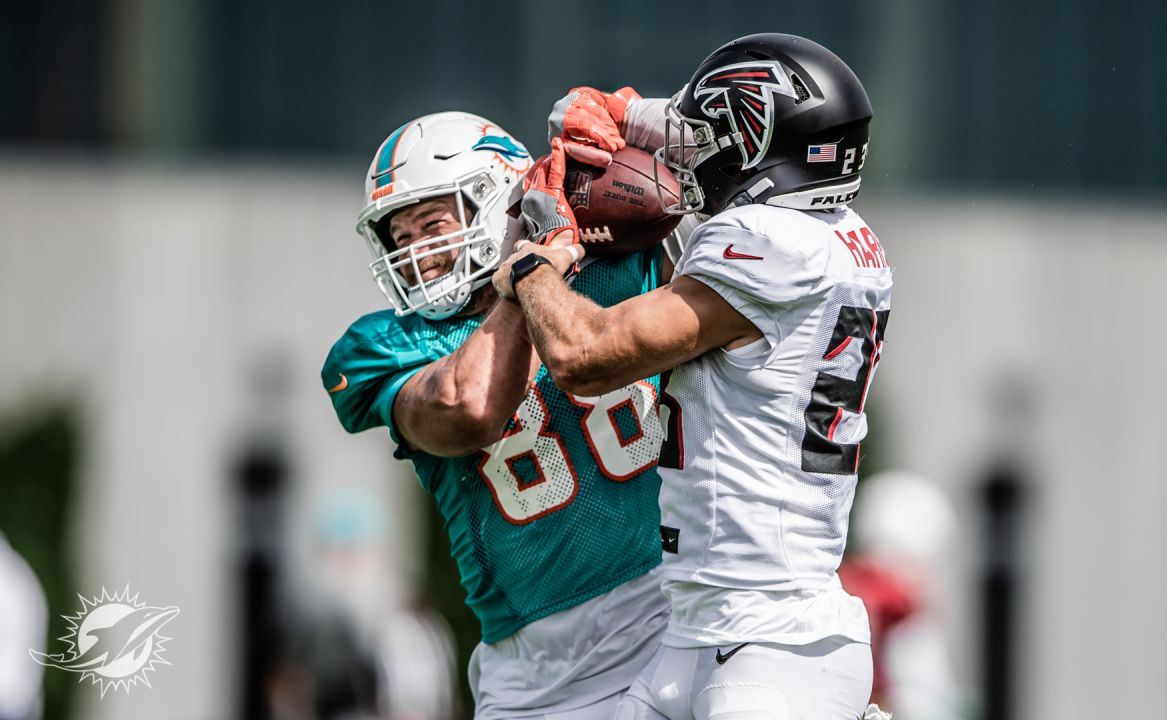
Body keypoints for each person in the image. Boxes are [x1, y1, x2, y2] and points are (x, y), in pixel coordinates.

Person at [497, 34, 890, 719]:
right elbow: (678, 123)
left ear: (757, 141)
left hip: (772, 643)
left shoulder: (769, 244)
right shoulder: (836, 233)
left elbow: (585, 356)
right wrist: (606, 109)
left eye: (713, 137)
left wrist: (537, 257)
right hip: (703, 631)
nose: (693, 154)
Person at [321, 111, 672, 719]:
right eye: (400, 238)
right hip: (540, 670)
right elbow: (467, 408)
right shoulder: (383, 346)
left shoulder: (619, 260)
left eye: (432, 223)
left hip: (672, 604)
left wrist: (652, 132)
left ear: (500, 200)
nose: (417, 255)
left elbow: (736, 266)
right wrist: (531, 273)